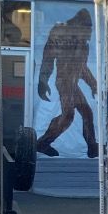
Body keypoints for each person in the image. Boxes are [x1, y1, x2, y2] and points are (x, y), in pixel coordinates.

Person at [36, 8, 98, 158]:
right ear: (80, 26)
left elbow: (82, 68)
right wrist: (43, 81)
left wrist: (93, 84)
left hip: (73, 83)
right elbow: (48, 58)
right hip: (64, 82)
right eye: (88, 28)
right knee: (68, 115)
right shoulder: (61, 33)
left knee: (87, 113)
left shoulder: (83, 43)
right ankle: (42, 143)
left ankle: (92, 147)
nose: (90, 32)